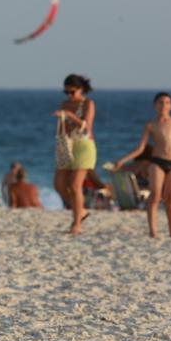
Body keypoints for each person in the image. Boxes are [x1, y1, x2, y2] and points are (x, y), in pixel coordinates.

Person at [115, 92, 171, 238]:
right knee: (155, 196)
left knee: (170, 199)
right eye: (160, 102)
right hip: (157, 162)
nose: (163, 105)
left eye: (167, 102)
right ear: (155, 105)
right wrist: (122, 160)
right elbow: (140, 148)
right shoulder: (150, 125)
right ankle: (153, 231)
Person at [53, 74, 97, 234]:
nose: (69, 96)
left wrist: (70, 116)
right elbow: (63, 127)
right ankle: (81, 211)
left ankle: (76, 223)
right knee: (58, 184)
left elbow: (87, 127)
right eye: (66, 92)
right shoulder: (64, 104)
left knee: (75, 185)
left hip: (84, 145)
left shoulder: (88, 103)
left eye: (72, 92)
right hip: (66, 144)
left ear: (80, 89)